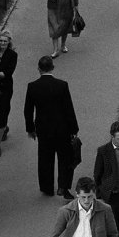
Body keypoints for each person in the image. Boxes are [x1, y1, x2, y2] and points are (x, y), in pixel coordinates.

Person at [23, 55, 79, 197]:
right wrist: (74, 129)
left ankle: (47, 187)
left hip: (43, 129)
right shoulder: (62, 85)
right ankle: (63, 187)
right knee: (64, 158)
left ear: (38, 69)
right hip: (62, 128)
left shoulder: (33, 86)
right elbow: (68, 108)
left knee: (45, 159)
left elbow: (28, 110)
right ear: (53, 68)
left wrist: (30, 129)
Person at [0, 31, 18, 159]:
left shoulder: (13, 55)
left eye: (5, 41)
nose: (2, 43)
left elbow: (8, 72)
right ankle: (4, 128)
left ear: (9, 42)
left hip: (5, 88)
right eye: (1, 41)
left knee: (2, 112)